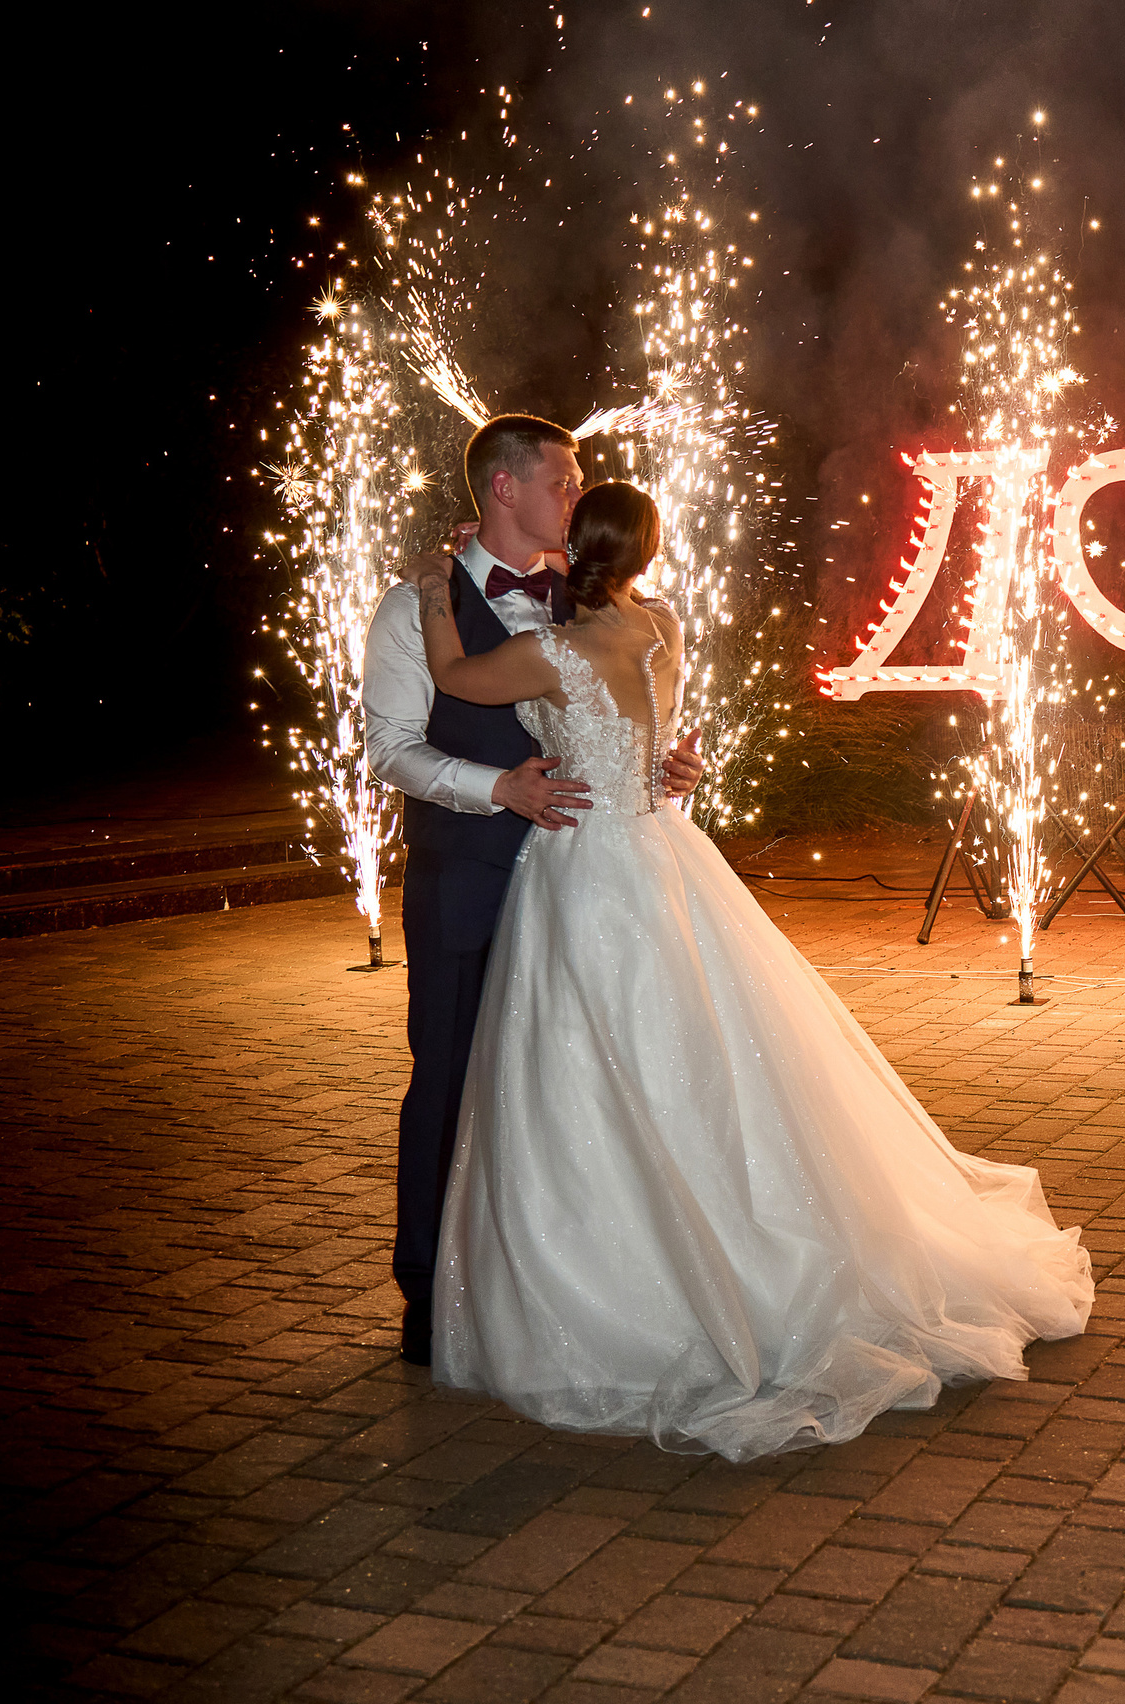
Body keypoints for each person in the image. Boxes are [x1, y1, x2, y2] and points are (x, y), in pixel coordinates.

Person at [402, 481, 1091, 1461]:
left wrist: (434, 582)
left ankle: (636, 1273)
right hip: (661, 849)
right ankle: (731, 1232)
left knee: (594, 1062)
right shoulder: (664, 627)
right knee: (700, 1049)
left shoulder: (547, 652)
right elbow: (652, 737)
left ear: (575, 547)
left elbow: (452, 675)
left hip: (586, 871)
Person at [362, 414, 705, 1368]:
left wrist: (662, 763)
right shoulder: (411, 604)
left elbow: (631, 711)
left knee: (583, 1089)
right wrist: (496, 789)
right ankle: (431, 1292)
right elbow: (391, 748)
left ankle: (571, 1288)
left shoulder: (601, 604)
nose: (579, 490)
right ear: (504, 488)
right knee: (451, 1082)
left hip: (591, 894)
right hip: (470, 883)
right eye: (564, 477)